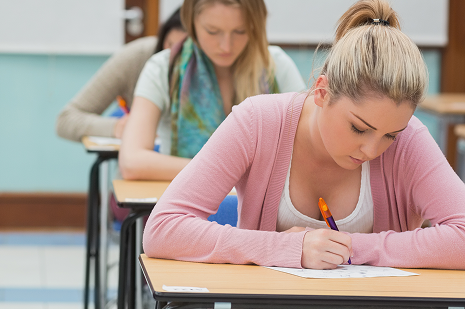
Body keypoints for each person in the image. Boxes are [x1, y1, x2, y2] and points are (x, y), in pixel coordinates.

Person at [143, 0, 465, 270]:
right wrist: (286, 247)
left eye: (389, 136)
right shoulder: (257, 122)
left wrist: (350, 248)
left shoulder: (410, 138)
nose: (371, 148)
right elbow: (163, 228)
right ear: (322, 91)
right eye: (358, 128)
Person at [118, 0, 306, 181]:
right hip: (186, 205)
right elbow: (132, 162)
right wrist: (227, 172)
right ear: (191, 22)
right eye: (213, 31)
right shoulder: (163, 68)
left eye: (240, 31)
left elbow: (310, 148)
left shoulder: (276, 66)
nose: (226, 46)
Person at [55, 8, 185, 142]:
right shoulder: (137, 57)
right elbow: (67, 119)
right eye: (169, 44)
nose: (170, 58)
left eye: (183, 52)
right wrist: (117, 127)